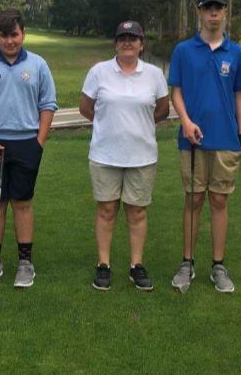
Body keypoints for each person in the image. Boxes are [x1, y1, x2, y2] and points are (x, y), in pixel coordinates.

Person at [0, 8, 57, 288]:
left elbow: (48, 104)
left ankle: (25, 262)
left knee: (23, 202)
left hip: (27, 143)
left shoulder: (38, 64)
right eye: (3, 36)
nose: (9, 41)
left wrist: (38, 142)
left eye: (14, 35)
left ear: (23, 33)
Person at [168, 0, 241, 293]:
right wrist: (186, 122)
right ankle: (187, 263)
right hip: (192, 138)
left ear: (225, 11)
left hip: (226, 139)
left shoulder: (237, 53)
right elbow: (175, 91)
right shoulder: (183, 51)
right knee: (193, 199)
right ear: (199, 12)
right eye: (208, 7)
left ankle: (218, 265)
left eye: (218, 7)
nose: (213, 13)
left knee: (219, 200)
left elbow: (240, 95)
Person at [79, 21, 169, 291]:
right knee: (107, 210)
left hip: (142, 156)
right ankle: (103, 265)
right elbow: (86, 107)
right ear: (116, 44)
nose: (127, 43)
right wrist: (109, 124)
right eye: (122, 38)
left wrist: (137, 126)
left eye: (133, 38)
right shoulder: (99, 72)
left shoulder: (154, 74)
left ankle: (136, 266)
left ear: (142, 44)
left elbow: (163, 109)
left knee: (137, 211)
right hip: (105, 154)